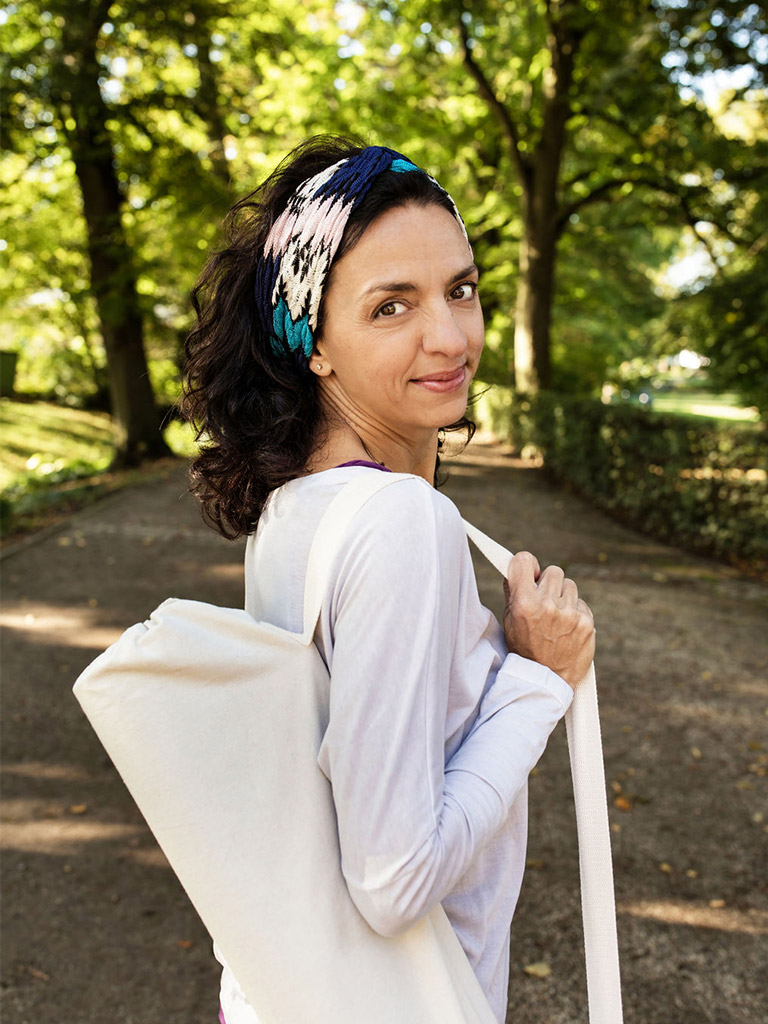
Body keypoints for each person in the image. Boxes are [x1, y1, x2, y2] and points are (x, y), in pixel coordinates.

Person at [182, 136, 596, 1024]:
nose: (449, 337)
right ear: (314, 342)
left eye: (461, 290)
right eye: (390, 306)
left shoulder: (297, 510)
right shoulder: (400, 521)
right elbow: (392, 878)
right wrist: (537, 682)